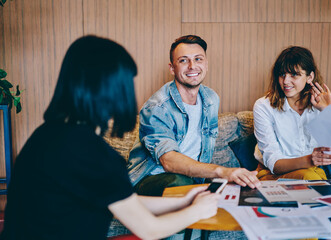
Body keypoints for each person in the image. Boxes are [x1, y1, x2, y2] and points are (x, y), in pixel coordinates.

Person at [0, 35, 220, 240]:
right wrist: (198, 210)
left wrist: (183, 201)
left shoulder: (48, 135)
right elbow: (149, 229)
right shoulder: (92, 153)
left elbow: (123, 202)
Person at [127, 35, 260, 196]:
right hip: (150, 179)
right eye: (183, 60)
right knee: (181, 184)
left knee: (238, 189)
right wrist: (221, 171)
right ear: (172, 68)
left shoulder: (211, 98)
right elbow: (168, 160)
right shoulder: (157, 107)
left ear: (206, 64)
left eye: (198, 59)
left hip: (192, 179)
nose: (192, 66)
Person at [253, 46, 331, 182]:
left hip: (313, 173)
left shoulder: (322, 106)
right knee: (310, 178)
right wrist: (310, 159)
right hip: (275, 173)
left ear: (310, 77)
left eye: (294, 75)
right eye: (282, 74)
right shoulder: (264, 107)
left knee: (312, 178)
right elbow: (274, 164)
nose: (285, 81)